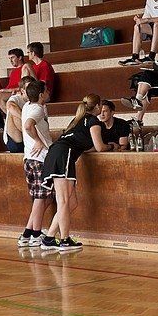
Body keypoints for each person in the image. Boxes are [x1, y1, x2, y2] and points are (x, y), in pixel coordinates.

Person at [40, 94, 112, 251]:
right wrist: (111, 146)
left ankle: (49, 238)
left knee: (71, 203)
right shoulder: (93, 121)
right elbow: (100, 147)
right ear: (97, 106)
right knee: (64, 201)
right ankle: (65, 240)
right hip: (63, 155)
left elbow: (86, 146)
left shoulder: (77, 120)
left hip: (56, 153)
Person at [18, 80, 54, 248]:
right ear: (41, 95)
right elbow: (28, 125)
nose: (48, 92)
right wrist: (38, 141)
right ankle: (36, 234)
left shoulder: (27, 106)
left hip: (29, 158)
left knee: (43, 198)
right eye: (46, 91)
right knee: (41, 198)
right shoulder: (37, 109)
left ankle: (27, 233)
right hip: (39, 159)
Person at [3, 76, 35, 154]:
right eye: (28, 88)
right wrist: (25, 119)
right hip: (15, 142)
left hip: (29, 139)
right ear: (22, 90)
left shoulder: (37, 100)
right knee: (13, 112)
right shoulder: (16, 98)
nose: (31, 90)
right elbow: (10, 106)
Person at [0, 48, 26, 114]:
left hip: (19, 93)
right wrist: (2, 90)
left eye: (12, 57)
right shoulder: (13, 71)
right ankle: (11, 116)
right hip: (11, 92)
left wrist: (5, 90)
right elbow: (9, 86)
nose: (11, 61)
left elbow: (24, 86)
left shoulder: (25, 68)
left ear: (20, 57)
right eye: (9, 58)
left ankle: (12, 116)